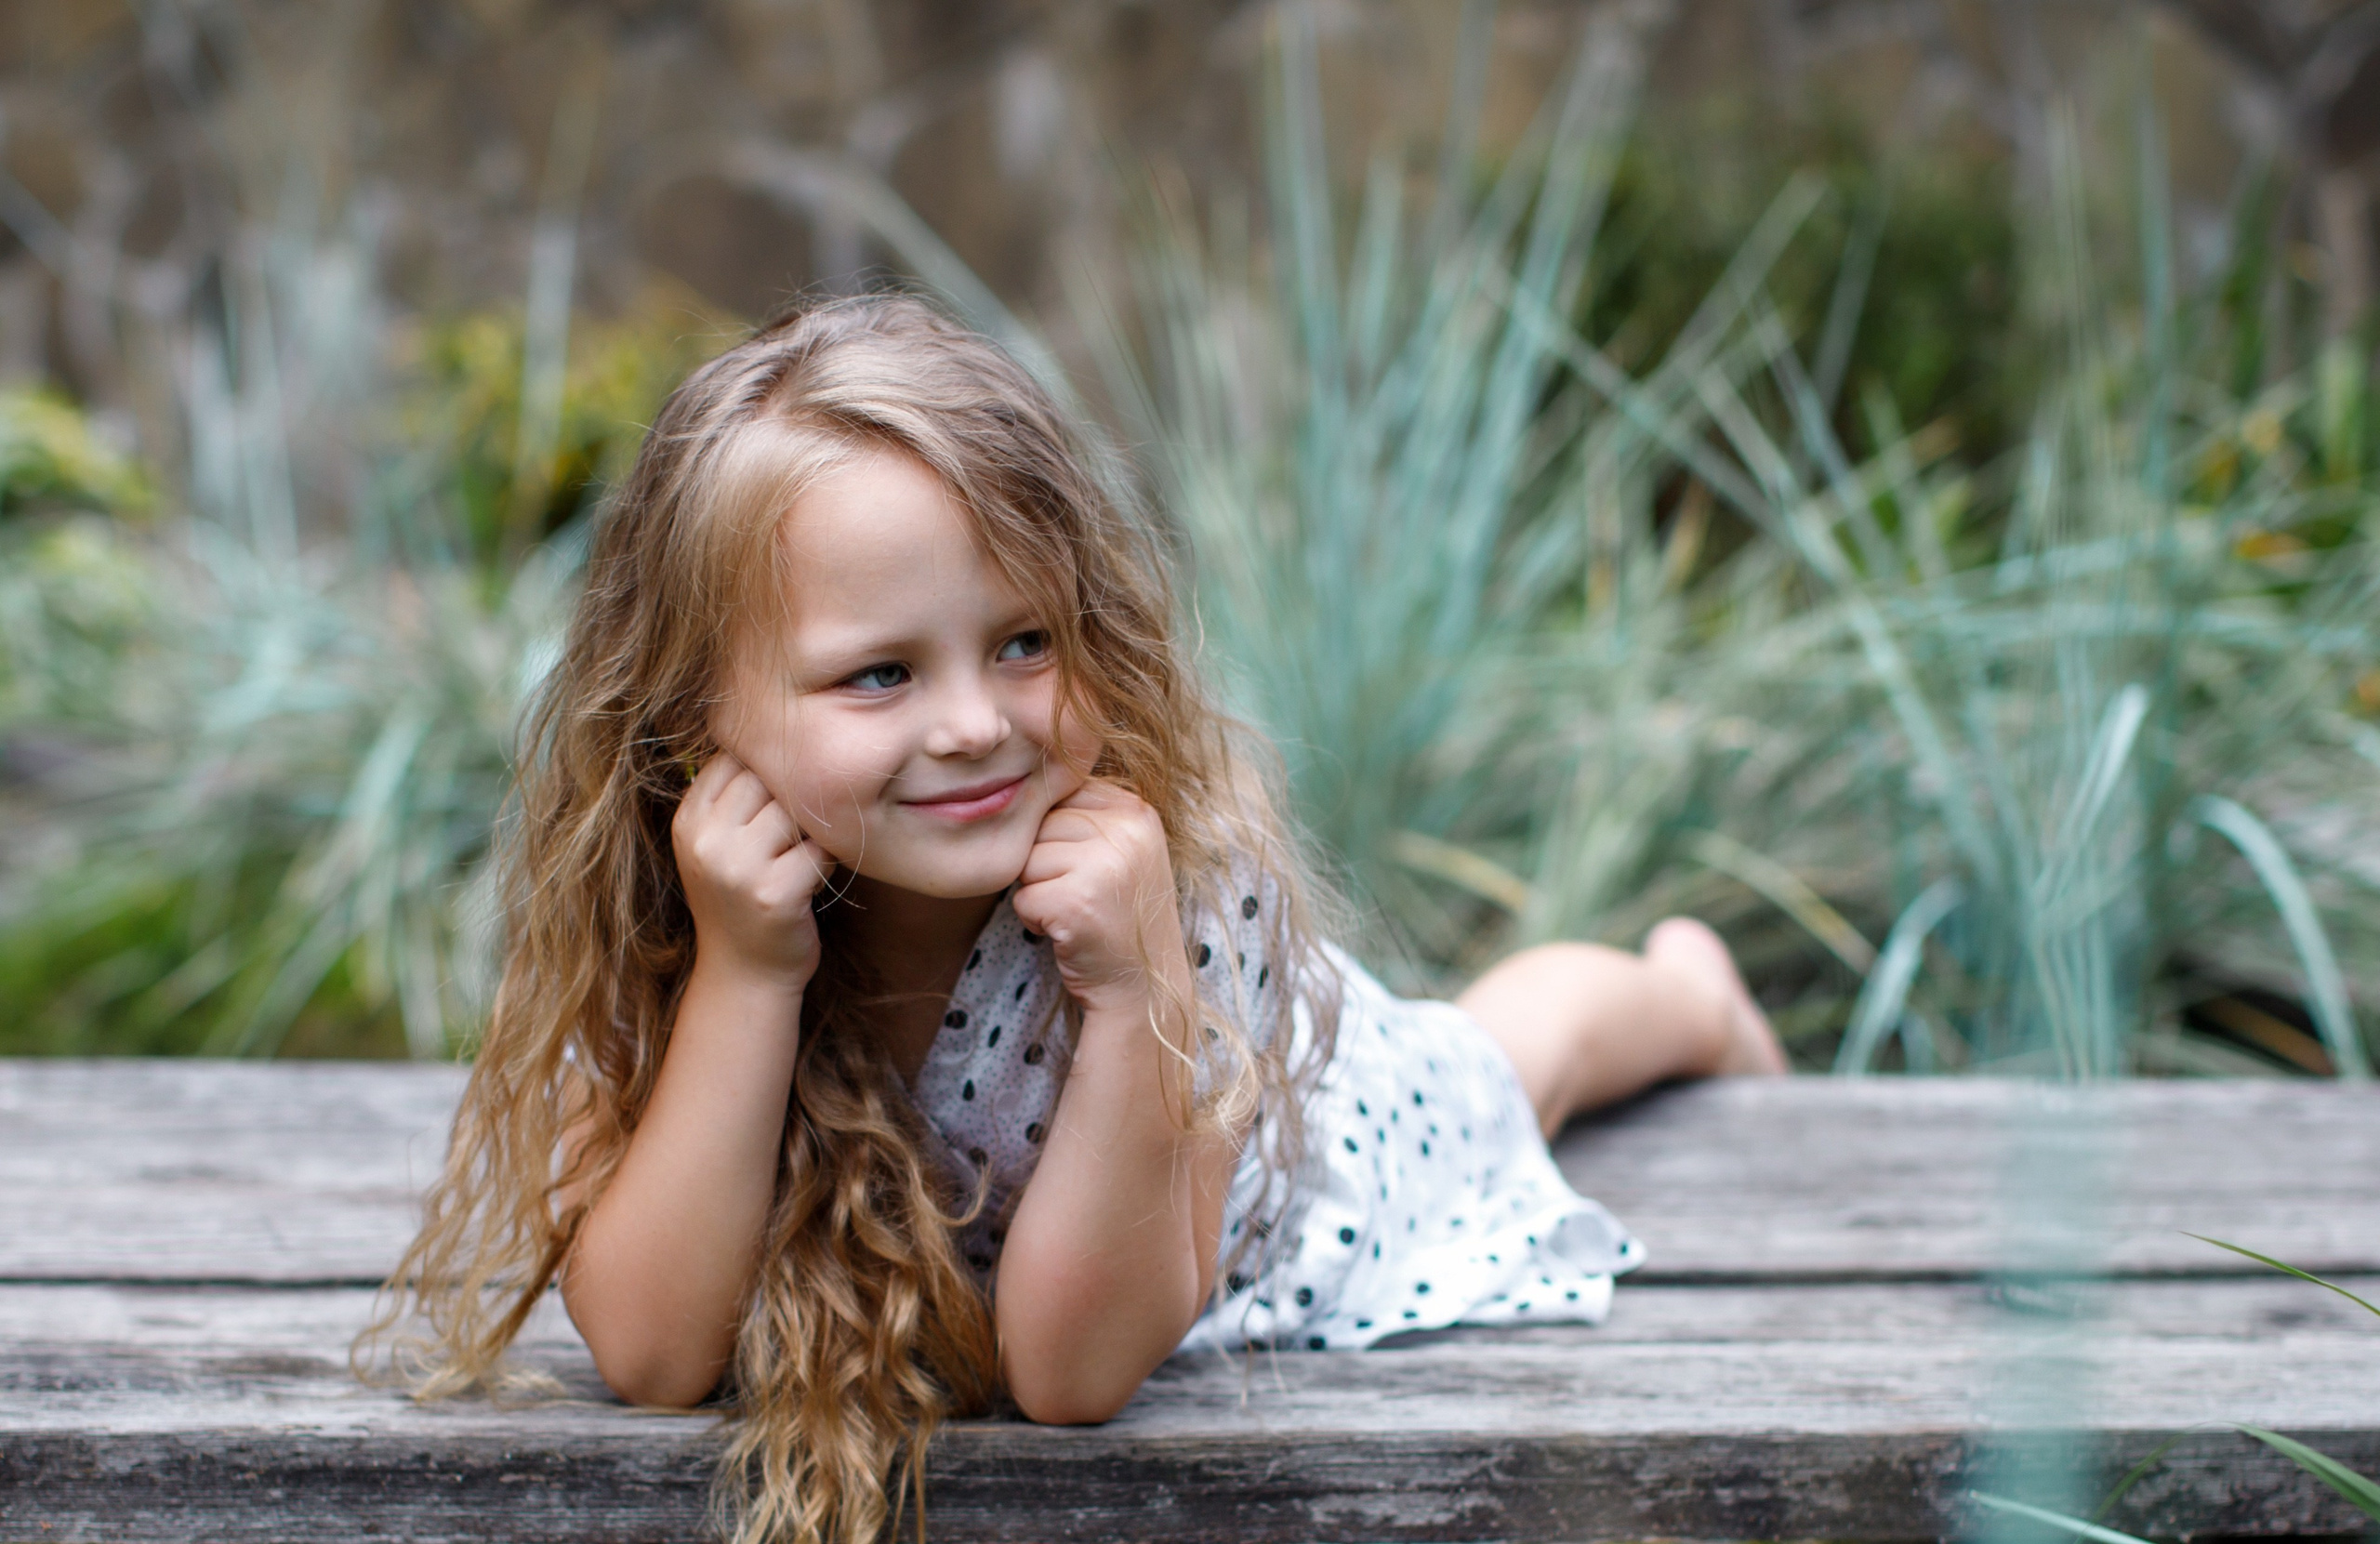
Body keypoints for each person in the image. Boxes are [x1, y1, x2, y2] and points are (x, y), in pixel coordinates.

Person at [374, 293, 1786, 1544]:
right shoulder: (662, 920)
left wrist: (1135, 987)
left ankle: (1689, 994)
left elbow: (1071, 1376)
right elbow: (651, 1353)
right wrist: (746, 972)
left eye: (1025, 642)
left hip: (1324, 1159)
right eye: (879, 674)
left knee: (1500, 1061)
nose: (975, 723)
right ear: (693, 717)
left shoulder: (1181, 891)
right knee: (1492, 1043)